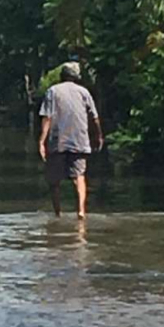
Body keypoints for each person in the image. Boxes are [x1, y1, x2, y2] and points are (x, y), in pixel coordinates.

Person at [39, 62, 104, 220]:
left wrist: (42, 141)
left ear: (62, 76)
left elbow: (47, 117)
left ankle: (57, 213)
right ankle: (81, 211)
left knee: (54, 181)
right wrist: (99, 136)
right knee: (79, 176)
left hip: (58, 141)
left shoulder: (53, 91)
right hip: (80, 140)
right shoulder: (84, 92)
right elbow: (94, 117)